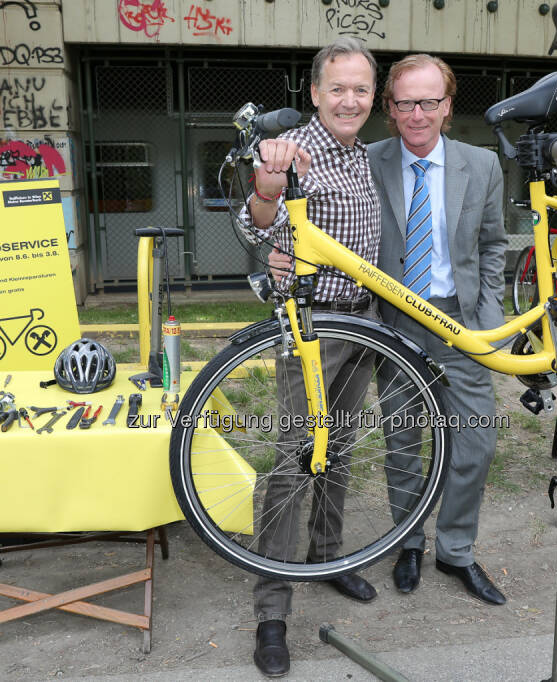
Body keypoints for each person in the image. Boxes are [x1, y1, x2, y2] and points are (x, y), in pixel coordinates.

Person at [239, 37, 381, 678]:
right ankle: (272, 607)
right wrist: (267, 182)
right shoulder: (295, 150)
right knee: (295, 459)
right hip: (311, 330)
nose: (349, 99)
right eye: (338, 88)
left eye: (361, 89)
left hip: (366, 324)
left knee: (342, 448)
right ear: (316, 94)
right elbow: (255, 222)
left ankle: (330, 558)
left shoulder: (363, 157)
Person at [368, 54, 508, 605]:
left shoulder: (483, 164)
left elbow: (494, 243)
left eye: (430, 102)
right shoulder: (369, 161)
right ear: (391, 109)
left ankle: (455, 552)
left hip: (459, 321)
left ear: (448, 106)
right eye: (406, 102)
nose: (418, 114)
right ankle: (408, 542)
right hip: (395, 321)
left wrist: (488, 316)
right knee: (403, 441)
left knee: (475, 440)